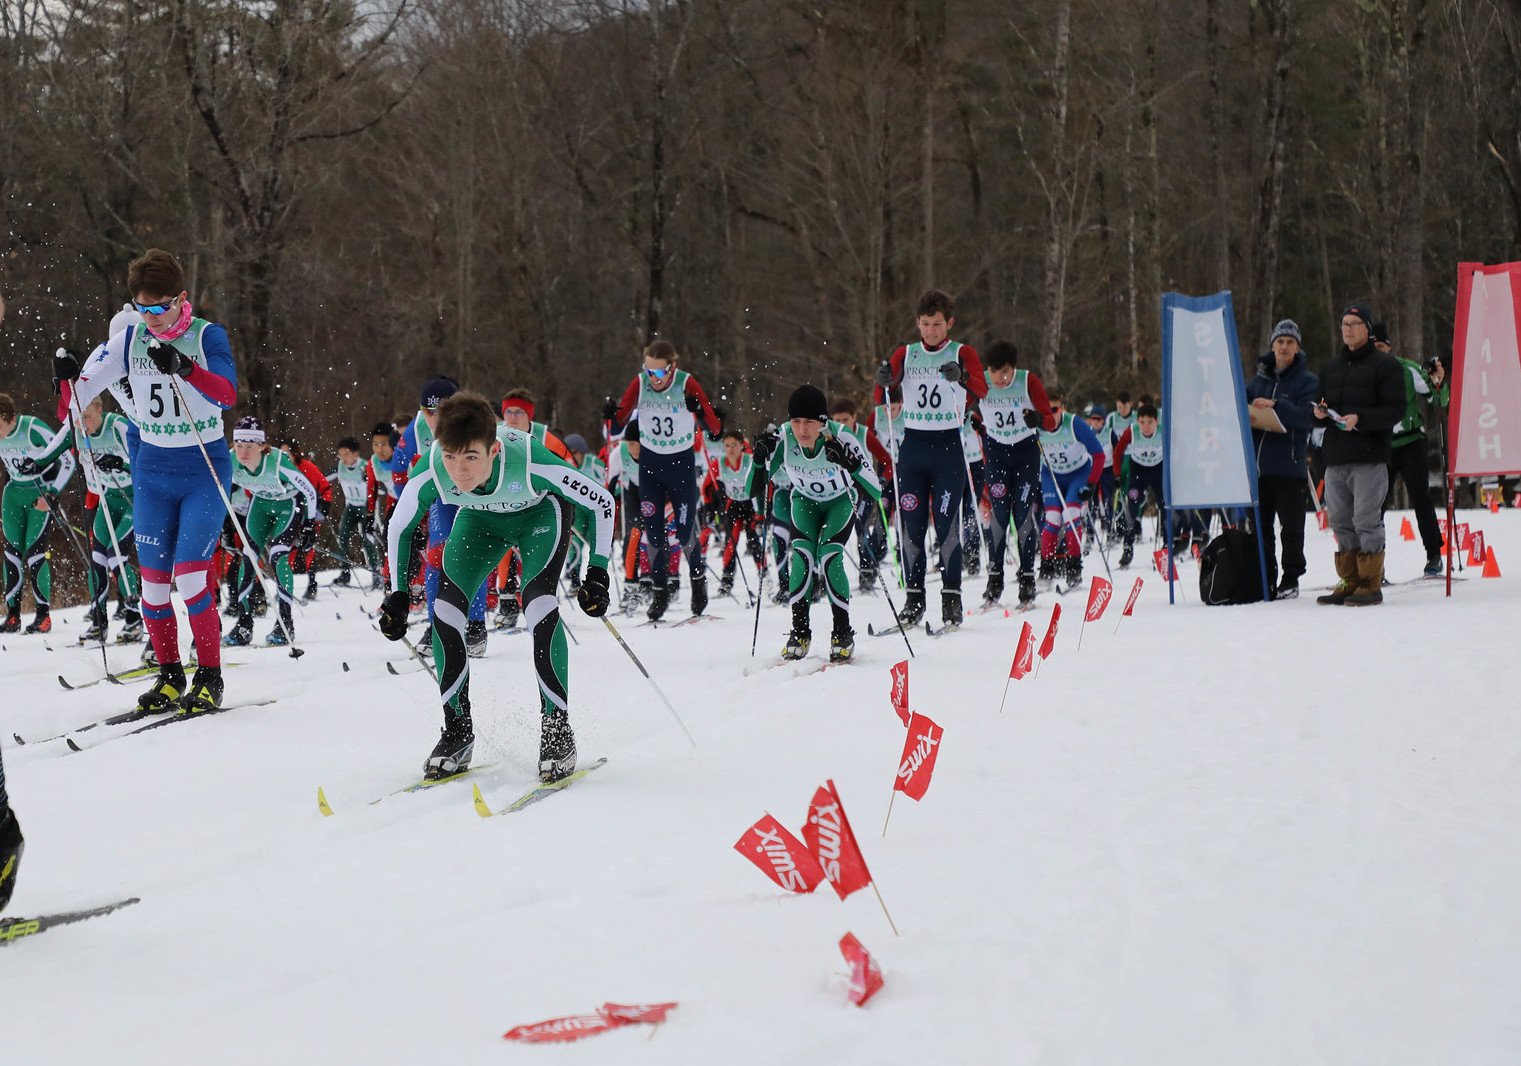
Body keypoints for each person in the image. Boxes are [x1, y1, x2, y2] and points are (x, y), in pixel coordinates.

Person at [378, 392, 615, 782]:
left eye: (471, 457)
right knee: (444, 611)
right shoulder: (436, 465)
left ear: (493, 449)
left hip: (539, 513)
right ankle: (457, 730)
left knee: (538, 603)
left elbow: (602, 502)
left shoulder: (529, 459)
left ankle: (557, 729)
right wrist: (399, 594)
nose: (460, 471)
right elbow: (400, 525)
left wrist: (598, 572)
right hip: (481, 521)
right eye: (451, 456)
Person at [67, 249, 238, 712]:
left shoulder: (207, 336)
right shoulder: (130, 341)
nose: (151, 319)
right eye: (142, 309)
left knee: (191, 578)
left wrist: (187, 368)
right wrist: (66, 379)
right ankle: (168, 676)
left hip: (203, 470)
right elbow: (78, 394)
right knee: (154, 587)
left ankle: (210, 675)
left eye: (160, 308)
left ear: (181, 299)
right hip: (153, 474)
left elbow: (226, 394)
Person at [872, 290, 988, 626]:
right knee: (912, 526)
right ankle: (914, 599)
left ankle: (951, 598)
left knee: (947, 524)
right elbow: (886, 386)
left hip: (948, 449)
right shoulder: (906, 353)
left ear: (949, 323)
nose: (931, 331)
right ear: (917, 323)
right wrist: (883, 380)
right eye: (925, 324)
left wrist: (962, 376)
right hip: (914, 449)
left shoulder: (961, 351)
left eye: (937, 324)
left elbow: (982, 389)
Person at [753, 385, 882, 660]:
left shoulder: (842, 436)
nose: (802, 430)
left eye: (809, 422)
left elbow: (875, 490)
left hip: (840, 501)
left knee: (829, 555)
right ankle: (800, 632)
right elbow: (753, 488)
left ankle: (842, 632)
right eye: (796, 421)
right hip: (804, 502)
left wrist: (851, 464)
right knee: (800, 554)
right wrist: (758, 459)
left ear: (822, 421)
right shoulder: (785, 438)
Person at [604, 340, 724, 620]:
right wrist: (612, 413)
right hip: (651, 467)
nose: (653, 379)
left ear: (673, 368)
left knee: (683, 533)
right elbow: (620, 424)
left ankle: (697, 582)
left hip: (680, 466)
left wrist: (701, 410)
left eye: (659, 373)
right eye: (648, 371)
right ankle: (660, 591)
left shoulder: (686, 383)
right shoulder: (640, 383)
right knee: (654, 532)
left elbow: (715, 429)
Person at [29, 395, 142, 642]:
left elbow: (147, 460)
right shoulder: (76, 428)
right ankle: (99, 622)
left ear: (100, 409)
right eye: (79, 419)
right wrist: (34, 465)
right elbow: (49, 454)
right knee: (97, 560)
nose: (83, 424)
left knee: (116, 555)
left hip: (133, 498)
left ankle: (134, 620)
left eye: (88, 417)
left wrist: (121, 464)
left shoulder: (118, 426)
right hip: (108, 498)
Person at [1313, 304, 1406, 606]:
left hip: (1369, 455)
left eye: (1355, 323)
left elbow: (1395, 410)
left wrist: (1360, 418)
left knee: (1366, 519)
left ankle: (1370, 582)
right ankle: (1350, 579)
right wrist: (1318, 413)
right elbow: (1321, 408)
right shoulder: (1330, 368)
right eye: (1344, 323)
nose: (1349, 329)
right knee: (1340, 521)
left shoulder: (1386, 366)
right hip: (1336, 457)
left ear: (1367, 329)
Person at [394, 377, 488, 656]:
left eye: (442, 411)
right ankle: (436, 625)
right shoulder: (415, 430)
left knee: (473, 555)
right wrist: (412, 509)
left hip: (475, 495)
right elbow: (399, 471)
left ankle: (475, 624)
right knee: (437, 557)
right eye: (428, 411)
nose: (434, 419)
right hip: (443, 498)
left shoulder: (473, 423)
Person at [976, 341, 1056, 606]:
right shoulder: (981, 381)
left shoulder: (1027, 381)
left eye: (1006, 371)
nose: (1001, 378)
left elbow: (1050, 419)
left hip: (1025, 454)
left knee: (1022, 514)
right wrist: (973, 416)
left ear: (1014, 368)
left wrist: (1038, 420)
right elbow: (959, 404)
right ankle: (994, 580)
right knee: (999, 514)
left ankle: (1027, 579)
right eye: (996, 372)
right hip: (997, 454)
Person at [225, 418, 319, 646]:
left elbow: (309, 491)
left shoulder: (277, 462)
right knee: (247, 557)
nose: (243, 452)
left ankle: (285, 622)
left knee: (278, 556)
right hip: (261, 506)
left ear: (261, 446)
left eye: (249, 446)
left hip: (287, 506)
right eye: (239, 445)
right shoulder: (230, 461)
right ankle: (244, 623)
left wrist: (309, 526)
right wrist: (226, 526)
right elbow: (219, 490)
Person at [1245, 319, 1320, 598]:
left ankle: (1291, 578)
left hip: (1290, 466)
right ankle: (1265, 576)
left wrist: (1277, 406)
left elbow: (1307, 417)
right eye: (1280, 342)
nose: (1284, 347)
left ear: (1298, 347)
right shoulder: (1258, 380)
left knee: (1291, 529)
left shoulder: (1308, 381)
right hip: (1259, 467)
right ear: (1273, 346)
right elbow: (1241, 406)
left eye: (1290, 342)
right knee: (1260, 527)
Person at [1373, 322, 1445, 576]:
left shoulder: (1406, 369)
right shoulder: (1363, 373)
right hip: (1381, 447)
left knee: (1421, 499)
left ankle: (1434, 554)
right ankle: (1374, 564)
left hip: (1411, 441)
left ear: (1389, 347)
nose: (1377, 351)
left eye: (1380, 346)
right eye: (1372, 347)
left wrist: (1439, 382)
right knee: (1376, 506)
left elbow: (1437, 398)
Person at [0, 394, 77, 633]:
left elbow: (67, 460)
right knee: (11, 553)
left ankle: (43, 616)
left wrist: (52, 494)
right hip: (13, 494)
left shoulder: (32, 428)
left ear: (7, 418)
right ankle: (13, 615)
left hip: (38, 494)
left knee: (35, 554)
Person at [1035, 390, 1105, 588]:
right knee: (1052, 519)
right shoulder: (1037, 425)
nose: (1050, 414)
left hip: (1078, 474)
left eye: (1054, 409)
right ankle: (1047, 568)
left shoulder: (1075, 425)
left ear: (1062, 409)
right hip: (1051, 475)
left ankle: (1074, 568)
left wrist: (1090, 485)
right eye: (1045, 410)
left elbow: (1098, 455)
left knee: (1071, 516)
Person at [828, 397, 891, 592]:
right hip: (843, 488)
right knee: (857, 528)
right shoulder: (829, 436)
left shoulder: (864, 435)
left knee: (860, 526)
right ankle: (871, 561)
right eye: (836, 420)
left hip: (864, 487)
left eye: (845, 420)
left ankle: (867, 572)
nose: (840, 424)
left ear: (854, 417)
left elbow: (886, 461)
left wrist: (882, 479)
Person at [1111, 403, 1166, 568]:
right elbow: (1117, 452)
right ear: (1137, 421)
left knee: (1164, 505)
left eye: (1150, 422)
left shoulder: (1164, 430)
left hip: (1158, 471)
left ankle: (1167, 547)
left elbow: (1178, 448)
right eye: (1142, 422)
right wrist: (1117, 475)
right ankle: (1128, 547)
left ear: (1156, 421)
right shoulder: (1132, 431)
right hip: (1138, 473)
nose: (1146, 426)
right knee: (1132, 504)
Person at [713, 430, 764, 598]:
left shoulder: (749, 460)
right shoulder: (720, 463)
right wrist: (710, 504)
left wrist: (760, 512)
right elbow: (708, 484)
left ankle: (764, 574)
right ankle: (727, 580)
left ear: (742, 445)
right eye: (727, 446)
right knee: (731, 541)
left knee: (753, 539)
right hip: (734, 504)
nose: (730, 449)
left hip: (751, 504)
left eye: (734, 445)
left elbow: (761, 482)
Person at [330, 436, 380, 587]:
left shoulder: (366, 467)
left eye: (346, 454)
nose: (343, 458)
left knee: (367, 538)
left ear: (355, 454)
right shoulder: (340, 466)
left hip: (366, 507)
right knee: (343, 535)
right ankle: (344, 572)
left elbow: (381, 487)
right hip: (351, 506)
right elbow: (323, 478)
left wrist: (370, 480)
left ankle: (376, 574)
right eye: (340, 455)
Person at [365, 423, 397, 591]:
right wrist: (370, 515)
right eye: (375, 444)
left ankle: (417, 585)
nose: (379, 449)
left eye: (384, 444)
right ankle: (389, 584)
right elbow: (372, 488)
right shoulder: (373, 463)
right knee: (389, 541)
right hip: (395, 502)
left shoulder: (404, 457)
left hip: (419, 503)